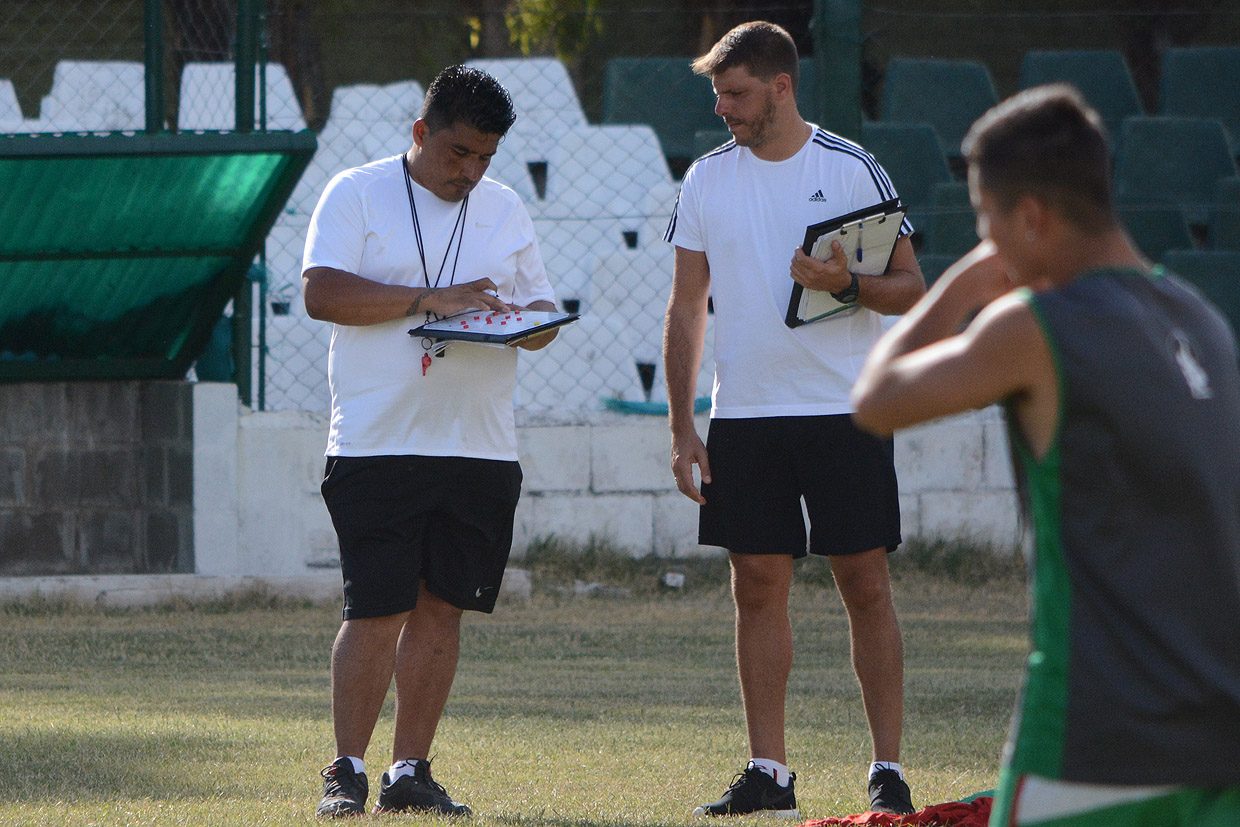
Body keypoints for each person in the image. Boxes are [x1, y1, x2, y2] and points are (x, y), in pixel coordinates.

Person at [852, 84, 1240, 827]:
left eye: (986, 221)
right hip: (1222, 748)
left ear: (1029, 215)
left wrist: (961, 284)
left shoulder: (1035, 324)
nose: (988, 240)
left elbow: (876, 400)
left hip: (1094, 747)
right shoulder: (1204, 321)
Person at [662, 20, 926, 818]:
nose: (724, 109)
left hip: (845, 409)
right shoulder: (705, 178)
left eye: (736, 93)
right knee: (757, 586)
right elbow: (684, 310)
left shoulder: (850, 168)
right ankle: (768, 772)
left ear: (781, 87)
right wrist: (683, 427)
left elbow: (912, 286)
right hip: (743, 416)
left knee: (865, 582)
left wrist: (847, 286)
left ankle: (887, 767)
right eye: (717, 94)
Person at [302, 64, 561, 819]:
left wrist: (528, 322)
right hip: (378, 441)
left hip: (480, 446)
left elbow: (540, 312)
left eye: (485, 158)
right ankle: (345, 771)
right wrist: (427, 300)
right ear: (421, 133)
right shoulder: (355, 191)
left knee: (443, 607)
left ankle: (408, 770)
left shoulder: (505, 207)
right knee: (376, 607)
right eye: (457, 154)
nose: (471, 172)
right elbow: (321, 293)